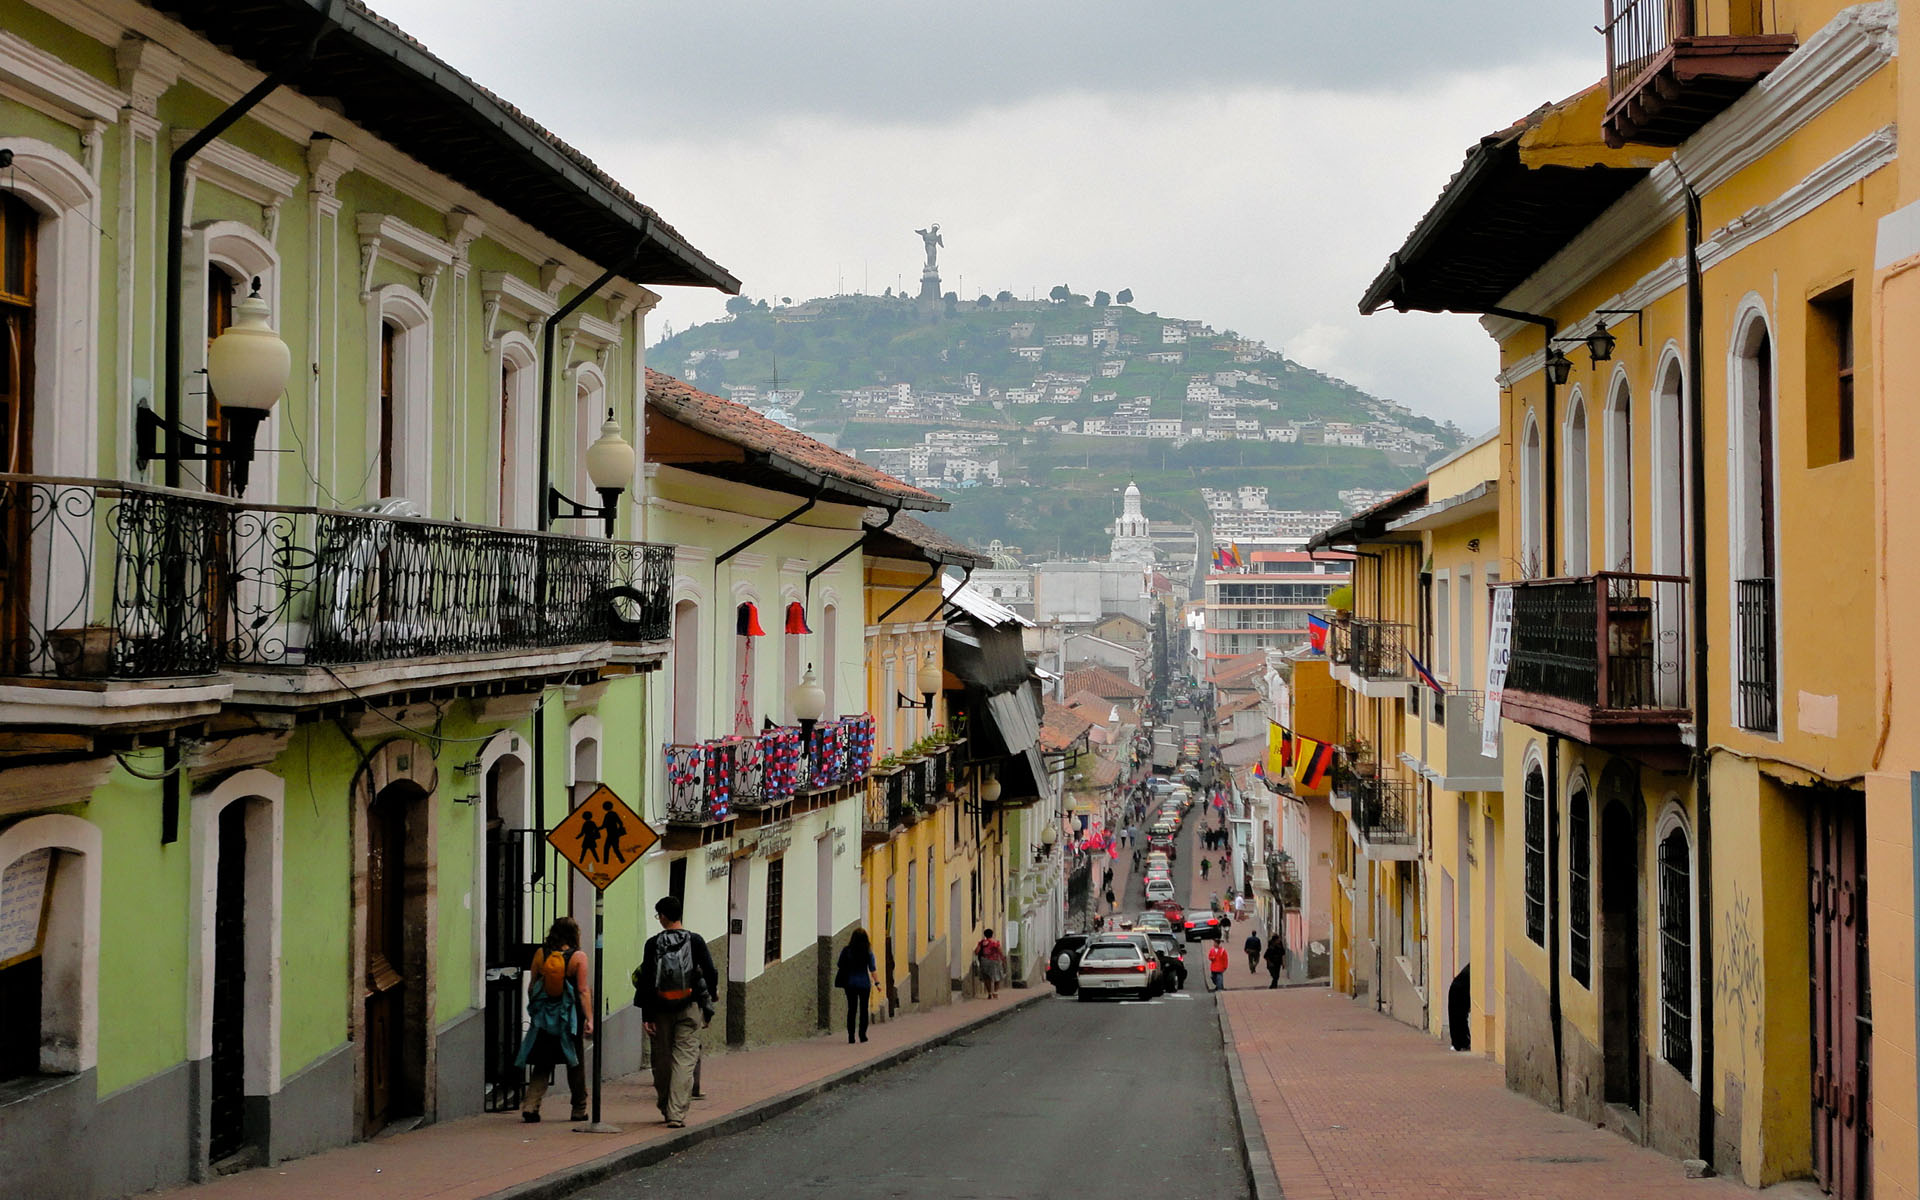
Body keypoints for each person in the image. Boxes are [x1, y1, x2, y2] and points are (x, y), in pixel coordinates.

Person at [635, 896, 718, 1128]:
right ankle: (676, 1112)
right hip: (689, 1007)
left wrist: (646, 1015)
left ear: (662, 917)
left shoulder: (652, 944)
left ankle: (664, 1105)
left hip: (660, 1010)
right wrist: (709, 999)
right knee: (684, 1059)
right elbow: (710, 971)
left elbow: (647, 980)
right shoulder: (695, 940)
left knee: (661, 1061)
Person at [516, 917, 591, 1123]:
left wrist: (536, 1010)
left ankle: (531, 1105)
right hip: (569, 1018)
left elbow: (532, 986)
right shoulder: (578, 957)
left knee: (543, 1062)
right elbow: (583, 990)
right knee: (574, 1063)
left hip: (544, 1018)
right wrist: (590, 1018)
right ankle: (579, 1109)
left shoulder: (541, 954)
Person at [835, 928, 878, 1043]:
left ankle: (851, 1036)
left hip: (850, 983)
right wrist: (877, 983)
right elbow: (872, 969)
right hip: (864, 983)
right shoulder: (868, 952)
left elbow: (839, 964)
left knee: (851, 1009)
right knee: (864, 1010)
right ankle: (863, 1035)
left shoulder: (847, 950)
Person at [973, 928, 1007, 999]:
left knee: (987, 977)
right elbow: (1000, 951)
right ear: (992, 934)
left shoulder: (982, 942)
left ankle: (989, 993)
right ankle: (995, 992)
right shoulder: (995, 942)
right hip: (994, 961)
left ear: (984, 935)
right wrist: (1003, 959)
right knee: (997, 976)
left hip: (984, 961)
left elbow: (976, 951)